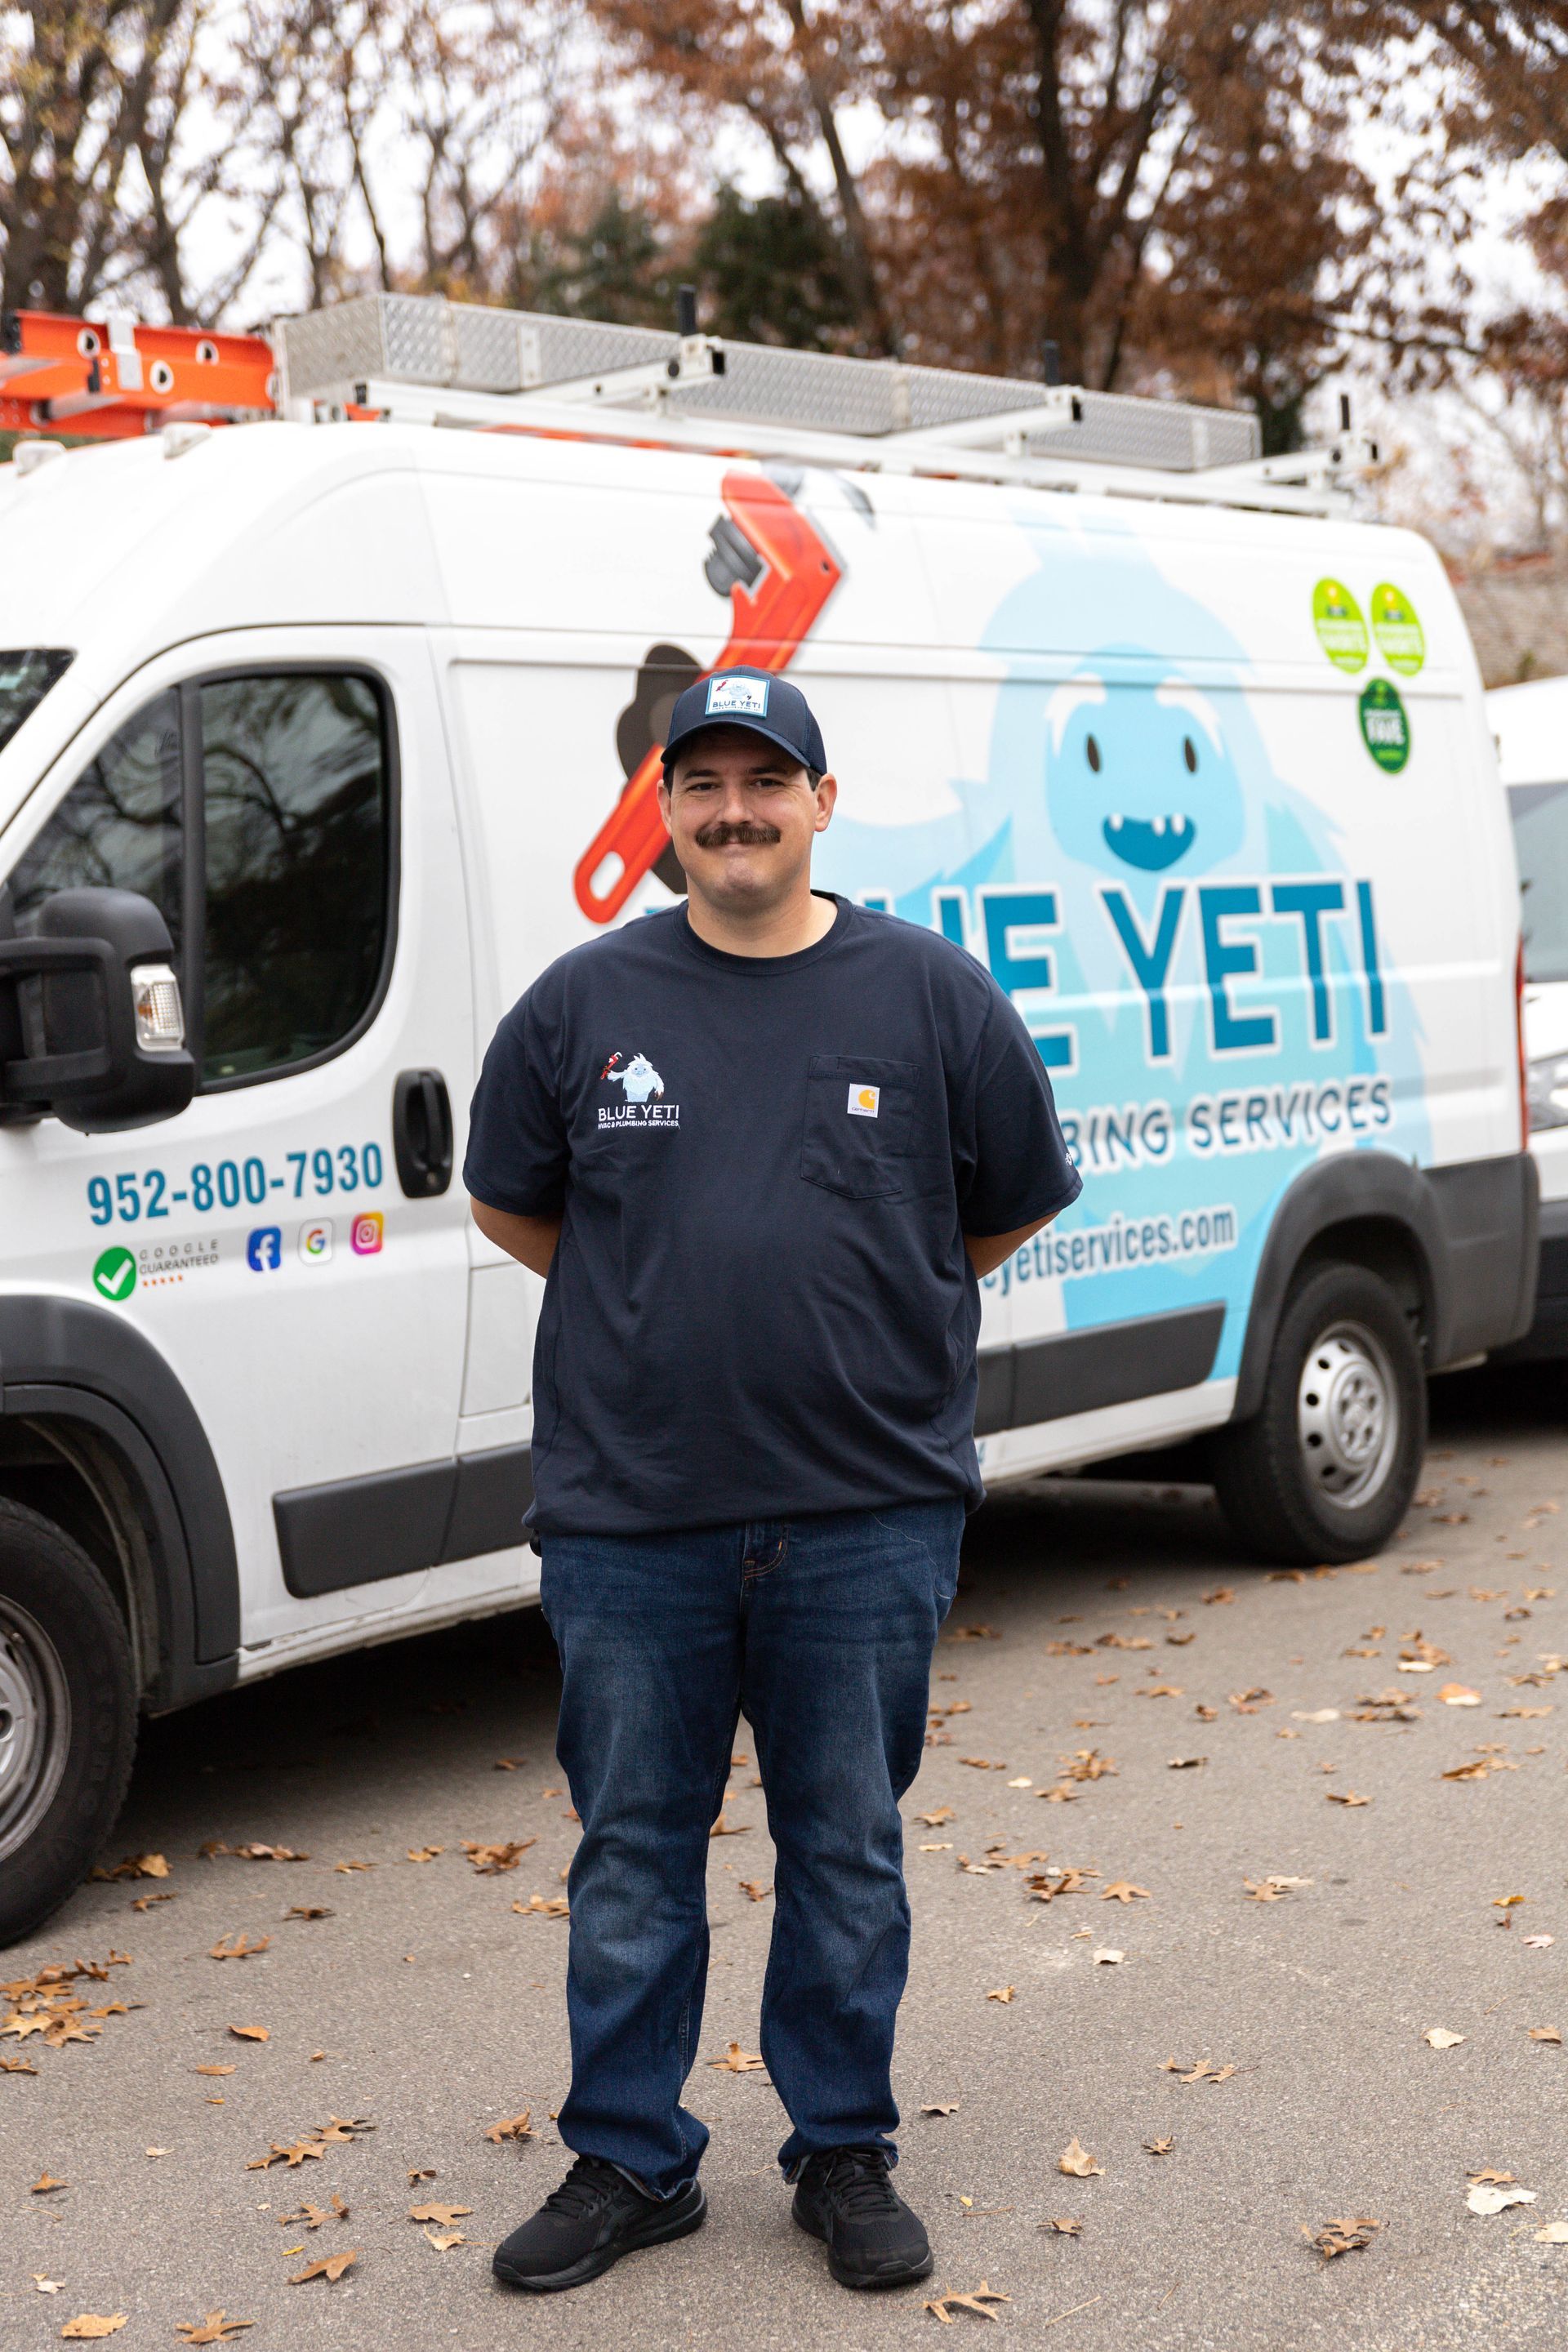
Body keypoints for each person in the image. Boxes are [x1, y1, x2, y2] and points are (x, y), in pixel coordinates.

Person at [465, 666, 1081, 2296]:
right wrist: (665, 1300)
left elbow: (1004, 1201)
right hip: (633, 1517)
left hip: (867, 1513)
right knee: (635, 1854)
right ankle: (631, 2158)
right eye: (701, 787)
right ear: (666, 814)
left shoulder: (932, 996)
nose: (733, 811)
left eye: (765, 781)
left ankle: (843, 2149)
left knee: (844, 1848)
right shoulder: (581, 1007)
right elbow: (516, 1207)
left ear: (822, 799)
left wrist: (863, 1308)